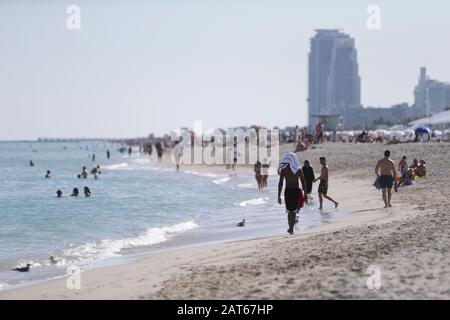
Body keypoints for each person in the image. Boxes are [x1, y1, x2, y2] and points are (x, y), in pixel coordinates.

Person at [278, 153, 308, 235]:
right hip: (295, 191)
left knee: (289, 211)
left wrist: (278, 196)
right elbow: (303, 182)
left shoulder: (284, 169)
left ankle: (290, 228)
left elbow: (280, 183)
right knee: (293, 211)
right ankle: (291, 228)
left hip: (288, 191)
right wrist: (305, 194)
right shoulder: (298, 169)